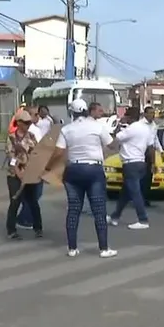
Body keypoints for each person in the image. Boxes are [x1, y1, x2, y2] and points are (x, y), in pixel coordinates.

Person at [50, 99, 117, 258]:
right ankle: (104, 248)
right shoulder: (97, 126)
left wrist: (48, 166)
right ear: (86, 110)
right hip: (94, 170)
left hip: (73, 170)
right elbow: (112, 145)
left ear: (71, 112)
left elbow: (59, 152)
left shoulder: (67, 129)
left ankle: (72, 248)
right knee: (99, 210)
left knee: (74, 209)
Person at [107, 106, 161, 229]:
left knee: (135, 192)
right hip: (141, 163)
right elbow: (151, 148)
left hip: (130, 163)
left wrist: (119, 125)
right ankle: (115, 217)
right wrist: (152, 163)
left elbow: (114, 142)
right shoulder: (146, 129)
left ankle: (143, 220)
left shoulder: (131, 129)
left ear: (129, 117)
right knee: (126, 192)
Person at [4, 109, 43, 240]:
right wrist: (18, 172)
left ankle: (38, 228)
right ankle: (11, 230)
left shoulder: (31, 136)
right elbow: (11, 157)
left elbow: (37, 153)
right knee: (15, 201)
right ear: (19, 122)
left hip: (30, 173)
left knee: (33, 202)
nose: (28, 125)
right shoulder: (11, 137)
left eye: (29, 123)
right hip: (15, 174)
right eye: (25, 123)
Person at [16, 107, 46, 229]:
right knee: (33, 195)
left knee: (34, 194)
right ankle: (23, 219)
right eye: (35, 114)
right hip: (28, 167)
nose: (37, 116)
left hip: (37, 166)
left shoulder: (35, 131)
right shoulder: (25, 133)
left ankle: (26, 218)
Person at [141, 106, 159, 207]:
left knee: (148, 176)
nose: (152, 115)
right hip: (141, 152)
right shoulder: (140, 125)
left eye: (153, 113)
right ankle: (140, 198)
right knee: (141, 177)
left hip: (150, 152)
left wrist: (160, 150)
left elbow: (155, 139)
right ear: (145, 114)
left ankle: (145, 198)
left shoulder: (153, 125)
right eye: (150, 113)